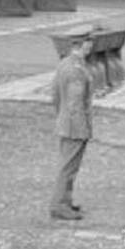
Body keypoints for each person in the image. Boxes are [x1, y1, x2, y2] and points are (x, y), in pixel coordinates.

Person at [50, 31, 95, 221]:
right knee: (67, 167)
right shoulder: (76, 69)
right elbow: (75, 104)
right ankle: (59, 205)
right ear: (82, 44)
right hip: (74, 126)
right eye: (89, 42)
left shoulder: (65, 64)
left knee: (69, 166)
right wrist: (83, 129)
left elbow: (56, 96)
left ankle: (65, 202)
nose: (91, 46)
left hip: (65, 122)